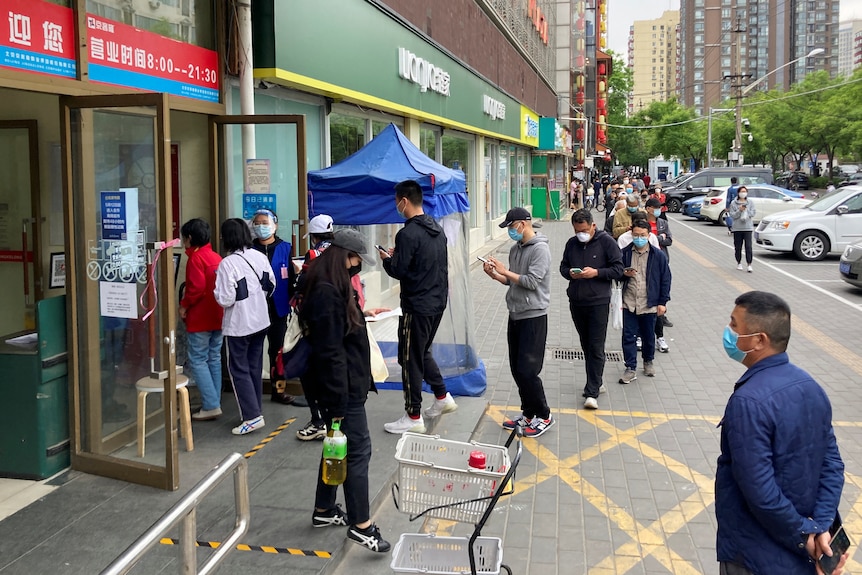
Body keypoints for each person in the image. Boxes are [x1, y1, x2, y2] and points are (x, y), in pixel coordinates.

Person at [716, 291, 846, 575]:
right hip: (802, 553)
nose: (729, 332)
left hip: (754, 554)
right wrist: (819, 528)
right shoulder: (810, 386)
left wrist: (805, 535)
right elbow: (833, 466)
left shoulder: (748, 402)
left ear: (760, 340)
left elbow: (760, 491)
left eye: (734, 325)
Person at [299, 228, 391, 554]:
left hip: (344, 385)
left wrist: (362, 314)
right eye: (355, 260)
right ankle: (361, 525)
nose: (358, 266)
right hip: (341, 390)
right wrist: (337, 402)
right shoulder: (325, 290)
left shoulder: (330, 283)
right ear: (342, 256)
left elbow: (336, 328)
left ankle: (324, 510)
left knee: (335, 445)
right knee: (357, 452)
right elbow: (330, 352)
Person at [380, 179, 457, 434]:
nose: (396, 206)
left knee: (409, 358)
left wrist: (388, 260)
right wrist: (400, 256)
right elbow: (423, 263)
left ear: (404, 201)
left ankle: (413, 415)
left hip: (417, 305)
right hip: (437, 302)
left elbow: (400, 270)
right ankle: (442, 396)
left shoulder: (407, 233)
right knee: (420, 352)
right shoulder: (436, 228)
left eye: (396, 202)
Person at [482, 207, 554, 438]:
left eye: (512, 227)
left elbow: (531, 282)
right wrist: (495, 274)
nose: (510, 232)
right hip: (515, 314)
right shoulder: (516, 249)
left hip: (533, 315)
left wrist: (506, 271)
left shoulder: (541, 249)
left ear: (523, 224)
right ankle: (528, 412)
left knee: (528, 370)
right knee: (516, 369)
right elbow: (512, 281)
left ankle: (544, 415)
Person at [214, 218, 275, 435]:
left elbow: (225, 299)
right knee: (254, 366)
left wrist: (216, 292)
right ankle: (255, 409)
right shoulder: (258, 255)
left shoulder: (226, 263)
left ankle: (251, 416)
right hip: (260, 319)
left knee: (238, 369)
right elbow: (271, 284)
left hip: (239, 324)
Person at [559, 209, 624, 410]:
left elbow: (618, 269)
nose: (581, 234)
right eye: (578, 230)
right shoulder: (571, 244)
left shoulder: (607, 242)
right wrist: (570, 273)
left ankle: (591, 392)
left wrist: (596, 272)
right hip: (577, 301)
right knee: (586, 344)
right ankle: (597, 381)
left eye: (585, 230)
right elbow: (562, 267)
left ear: (593, 225)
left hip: (598, 302)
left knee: (596, 346)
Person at [179, 218, 225, 421]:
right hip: (218, 315)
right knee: (214, 357)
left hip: (200, 317)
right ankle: (213, 401)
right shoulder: (215, 256)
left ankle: (211, 404)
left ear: (189, 238)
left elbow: (195, 289)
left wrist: (184, 305)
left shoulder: (195, 259)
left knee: (198, 359)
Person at [250, 209, 297, 405]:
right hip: (253, 309)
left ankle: (278, 390)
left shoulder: (286, 248)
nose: (261, 226)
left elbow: (294, 278)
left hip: (278, 308)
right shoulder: (248, 250)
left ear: (275, 225)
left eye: (265, 222)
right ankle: (252, 391)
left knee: (277, 350)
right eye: (257, 223)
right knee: (254, 349)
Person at [618, 220, 671, 384]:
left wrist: (663, 302)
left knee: (648, 336)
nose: (639, 238)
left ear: (649, 235)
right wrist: (623, 274)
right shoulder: (624, 253)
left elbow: (665, 279)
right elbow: (616, 273)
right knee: (628, 336)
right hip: (629, 302)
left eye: (642, 235)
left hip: (649, 303)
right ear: (631, 234)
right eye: (636, 235)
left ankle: (648, 361)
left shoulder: (658, 255)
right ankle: (630, 367)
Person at [729, 185, 756, 273]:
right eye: (742, 191)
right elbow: (732, 215)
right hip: (737, 228)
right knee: (738, 247)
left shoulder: (750, 202)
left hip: (748, 228)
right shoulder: (734, 203)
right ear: (738, 193)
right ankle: (739, 262)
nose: (743, 193)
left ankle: (749, 264)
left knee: (748, 246)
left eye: (745, 191)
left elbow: (753, 213)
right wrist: (739, 210)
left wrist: (746, 210)